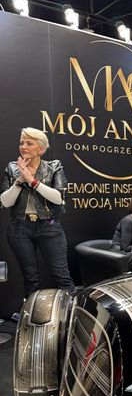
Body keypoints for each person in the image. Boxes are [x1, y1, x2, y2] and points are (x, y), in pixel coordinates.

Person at [0, 127, 74, 297]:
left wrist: (32, 181)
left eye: (29, 143)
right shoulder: (12, 168)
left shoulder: (54, 167)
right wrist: (20, 179)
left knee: (62, 276)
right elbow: (5, 201)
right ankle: (33, 313)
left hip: (49, 226)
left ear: (41, 149)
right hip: (19, 229)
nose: (23, 147)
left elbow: (58, 198)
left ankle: (72, 311)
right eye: (21, 143)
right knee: (30, 278)